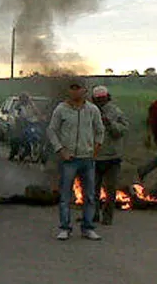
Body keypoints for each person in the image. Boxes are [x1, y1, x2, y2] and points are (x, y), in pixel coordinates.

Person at [47, 78, 105, 241]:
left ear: (84, 91)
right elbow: (51, 131)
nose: (75, 91)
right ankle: (65, 227)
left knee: (90, 196)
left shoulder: (92, 110)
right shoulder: (61, 109)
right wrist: (60, 149)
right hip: (69, 159)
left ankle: (88, 228)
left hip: (87, 159)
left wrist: (97, 148)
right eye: (72, 88)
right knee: (65, 195)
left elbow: (100, 130)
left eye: (78, 88)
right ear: (68, 91)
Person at [92, 85, 128, 225]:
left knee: (110, 189)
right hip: (94, 156)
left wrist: (110, 124)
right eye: (98, 99)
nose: (101, 102)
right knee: (92, 189)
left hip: (112, 157)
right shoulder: (89, 111)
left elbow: (123, 130)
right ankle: (93, 214)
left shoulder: (115, 112)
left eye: (103, 99)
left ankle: (107, 217)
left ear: (108, 97)